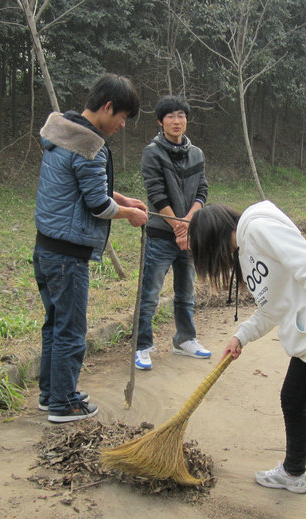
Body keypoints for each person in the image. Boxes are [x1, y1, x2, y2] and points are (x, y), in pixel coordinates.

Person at [188, 202, 306, 519]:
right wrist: (241, 336)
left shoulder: (258, 229)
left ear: (213, 240)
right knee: (291, 399)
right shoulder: (247, 251)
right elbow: (270, 308)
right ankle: (293, 472)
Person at [34, 74, 148, 422]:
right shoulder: (90, 145)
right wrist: (128, 213)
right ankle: (64, 402)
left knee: (55, 325)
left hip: (46, 250)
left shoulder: (63, 135)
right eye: (122, 117)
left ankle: (50, 393)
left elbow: (83, 189)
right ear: (108, 107)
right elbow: (97, 205)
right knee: (70, 330)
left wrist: (124, 198)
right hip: (69, 256)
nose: (122, 126)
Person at [134, 95, 210, 370]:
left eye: (181, 115)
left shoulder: (196, 153)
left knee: (186, 292)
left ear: (186, 119)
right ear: (160, 121)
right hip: (160, 235)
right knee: (150, 293)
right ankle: (141, 346)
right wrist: (177, 225)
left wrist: (188, 222)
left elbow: (202, 190)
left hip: (189, 234)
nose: (176, 121)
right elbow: (156, 192)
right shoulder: (152, 152)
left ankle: (185, 340)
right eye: (170, 116)